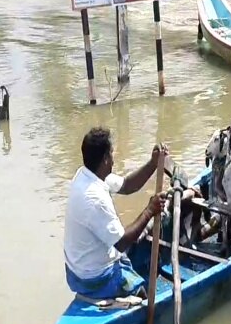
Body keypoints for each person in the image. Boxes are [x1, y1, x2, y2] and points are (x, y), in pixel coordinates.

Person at [64, 127, 168, 300]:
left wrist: (153, 163)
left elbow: (128, 185)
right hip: (93, 278)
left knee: (132, 248)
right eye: (112, 153)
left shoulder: (86, 175)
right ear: (105, 159)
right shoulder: (95, 198)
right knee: (142, 293)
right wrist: (150, 210)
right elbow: (121, 243)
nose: (114, 158)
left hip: (75, 271)